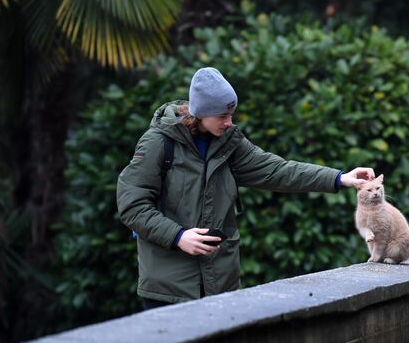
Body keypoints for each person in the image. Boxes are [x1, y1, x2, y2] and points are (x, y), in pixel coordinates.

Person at [117, 67, 375, 310]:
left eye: (232, 114)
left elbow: (278, 170)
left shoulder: (228, 142)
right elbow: (133, 206)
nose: (229, 122)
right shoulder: (158, 144)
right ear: (200, 113)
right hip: (168, 288)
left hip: (221, 285)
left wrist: (340, 178)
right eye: (222, 116)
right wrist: (178, 236)